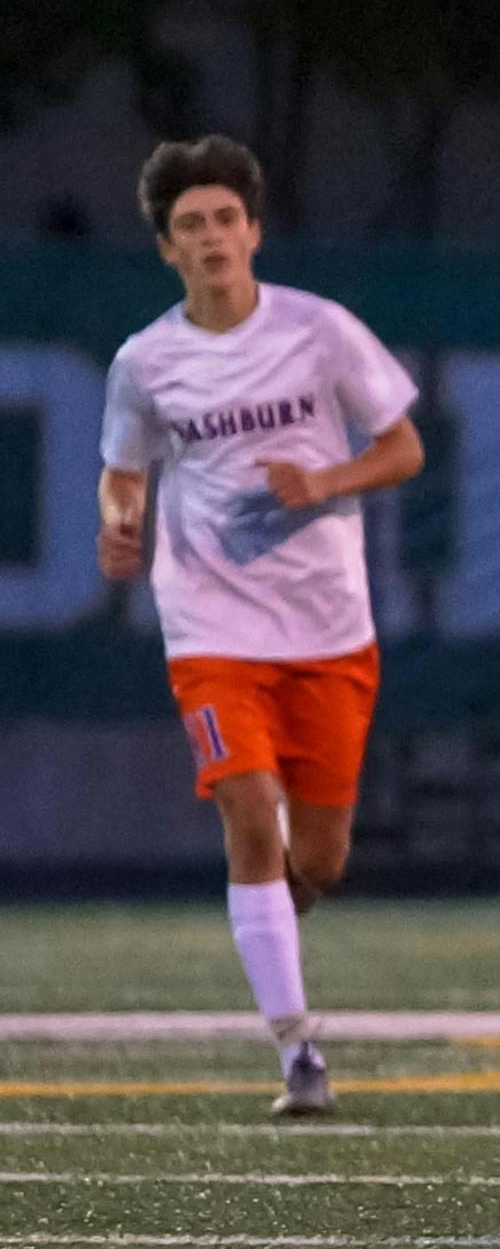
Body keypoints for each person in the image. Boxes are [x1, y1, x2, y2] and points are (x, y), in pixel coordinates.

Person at [97, 135, 424, 1117]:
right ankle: (298, 1052)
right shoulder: (146, 361)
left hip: (328, 630)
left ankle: (268, 918)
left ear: (254, 231)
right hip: (210, 630)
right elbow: (125, 469)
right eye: (190, 225)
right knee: (247, 808)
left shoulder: (320, 332)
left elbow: (402, 445)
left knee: (317, 861)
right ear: (166, 248)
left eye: (226, 220)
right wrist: (118, 523)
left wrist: (323, 479)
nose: (212, 238)